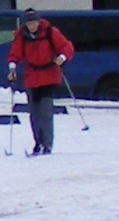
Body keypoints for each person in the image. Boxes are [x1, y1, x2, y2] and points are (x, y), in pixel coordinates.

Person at [11, 11, 75, 155]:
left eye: (34, 23)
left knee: (45, 112)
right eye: (29, 23)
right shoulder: (22, 35)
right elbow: (15, 53)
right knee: (34, 113)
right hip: (31, 77)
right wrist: (12, 67)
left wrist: (62, 57)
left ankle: (47, 144)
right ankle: (38, 142)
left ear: (39, 22)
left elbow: (67, 46)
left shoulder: (50, 32)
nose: (32, 26)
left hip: (49, 75)